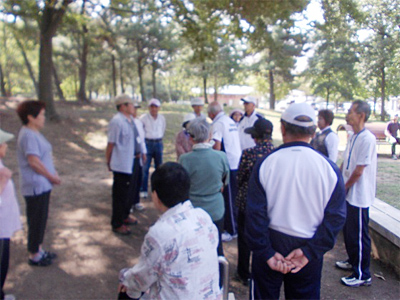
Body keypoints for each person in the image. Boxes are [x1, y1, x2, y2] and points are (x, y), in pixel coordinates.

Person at [246, 103, 346, 299]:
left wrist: (265, 251)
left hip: (270, 242)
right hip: (308, 246)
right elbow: (336, 218)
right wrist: (310, 252)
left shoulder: (267, 163)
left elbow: (254, 214)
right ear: (314, 131)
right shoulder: (329, 169)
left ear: (282, 128)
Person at [118, 162, 221, 300]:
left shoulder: (160, 233)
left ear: (155, 195)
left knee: (127, 289)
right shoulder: (203, 217)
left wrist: (125, 278)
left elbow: (140, 279)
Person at [336, 100, 377, 287]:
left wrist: (345, 187)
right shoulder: (353, 136)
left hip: (359, 195)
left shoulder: (367, 139)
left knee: (359, 235)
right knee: (350, 232)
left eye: (351, 111)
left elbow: (359, 170)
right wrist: (338, 179)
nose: (348, 114)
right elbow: (347, 162)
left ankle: (362, 274)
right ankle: (353, 261)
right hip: (348, 193)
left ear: (361, 115)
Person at [16, 100, 61, 267]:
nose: (44, 117)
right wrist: (51, 176)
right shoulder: (28, 135)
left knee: (40, 219)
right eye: (41, 114)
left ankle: (38, 250)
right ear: (30, 117)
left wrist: (52, 174)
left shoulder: (34, 132)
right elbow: (33, 162)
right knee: (36, 220)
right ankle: (34, 255)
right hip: (35, 186)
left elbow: (42, 158)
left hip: (43, 185)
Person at [179, 118, 230, 256]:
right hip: (215, 208)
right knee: (216, 247)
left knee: (194, 247)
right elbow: (225, 181)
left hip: (193, 208)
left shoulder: (184, 159)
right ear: (210, 136)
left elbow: (183, 185)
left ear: (190, 138)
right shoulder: (221, 156)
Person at [235, 118, 274, 286]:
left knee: (244, 239)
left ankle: (243, 273)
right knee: (264, 237)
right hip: (269, 204)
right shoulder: (276, 154)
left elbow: (240, 177)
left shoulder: (248, 154)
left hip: (247, 202)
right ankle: (262, 271)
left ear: (256, 136)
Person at [208, 101, 241, 242]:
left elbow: (217, 144)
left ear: (211, 113)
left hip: (228, 164)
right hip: (236, 162)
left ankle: (232, 230)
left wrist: (215, 164)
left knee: (228, 198)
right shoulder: (229, 120)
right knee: (233, 197)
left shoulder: (218, 123)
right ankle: (233, 227)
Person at [106, 94, 139, 235]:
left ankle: (124, 216)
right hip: (120, 164)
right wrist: (108, 161)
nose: (133, 107)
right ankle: (117, 223)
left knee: (128, 192)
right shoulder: (117, 121)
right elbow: (111, 144)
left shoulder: (130, 120)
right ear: (123, 106)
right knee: (119, 195)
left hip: (130, 162)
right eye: (131, 104)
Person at [0, 129, 21, 300]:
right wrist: (3, 180)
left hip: (3, 228)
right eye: (3, 143)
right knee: (0, 264)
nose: (6, 146)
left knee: (3, 263)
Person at [139, 99, 166, 199]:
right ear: (149, 107)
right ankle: (144, 189)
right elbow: (141, 132)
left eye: (156, 107)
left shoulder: (162, 118)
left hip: (158, 143)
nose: (153, 109)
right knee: (145, 168)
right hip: (147, 143)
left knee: (159, 168)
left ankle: (158, 190)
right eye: (152, 106)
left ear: (159, 108)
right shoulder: (143, 118)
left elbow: (163, 129)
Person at [131, 101, 147, 212]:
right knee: (130, 180)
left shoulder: (138, 122)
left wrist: (144, 152)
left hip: (139, 155)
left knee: (138, 179)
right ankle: (128, 203)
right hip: (129, 156)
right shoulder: (126, 122)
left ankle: (136, 201)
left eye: (136, 109)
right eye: (134, 108)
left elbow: (142, 139)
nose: (135, 111)